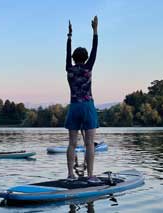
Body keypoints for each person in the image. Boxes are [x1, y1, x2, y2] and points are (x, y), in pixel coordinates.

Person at [64, 16, 100, 183]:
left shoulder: (69, 68)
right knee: (89, 143)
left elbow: (67, 53)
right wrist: (95, 30)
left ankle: (71, 174)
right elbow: (95, 49)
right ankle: (90, 175)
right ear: (85, 58)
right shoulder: (88, 67)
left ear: (73, 58)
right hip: (87, 106)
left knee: (72, 143)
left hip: (74, 107)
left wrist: (69, 36)